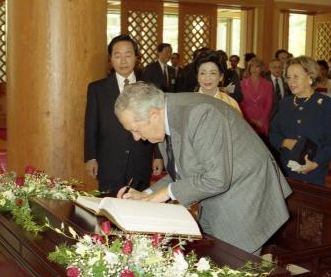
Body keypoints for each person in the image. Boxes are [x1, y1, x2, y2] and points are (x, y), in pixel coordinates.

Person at [114, 82, 292, 255]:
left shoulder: (199, 114)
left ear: (153, 114)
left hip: (245, 198)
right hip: (219, 196)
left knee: (237, 275)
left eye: (135, 130)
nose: (136, 138)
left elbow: (216, 179)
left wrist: (163, 194)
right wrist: (146, 195)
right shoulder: (166, 116)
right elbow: (182, 173)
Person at [84, 34, 163, 195]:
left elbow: (158, 122)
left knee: (139, 207)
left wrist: (158, 155)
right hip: (109, 161)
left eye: (128, 55)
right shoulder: (97, 89)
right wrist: (90, 157)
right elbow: (91, 125)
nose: (123, 61)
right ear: (110, 59)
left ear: (136, 58)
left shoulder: (150, 87)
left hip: (140, 159)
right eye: (117, 56)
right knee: (108, 209)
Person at [269, 56, 331, 186]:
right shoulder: (285, 103)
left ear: (310, 78)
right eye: (288, 77)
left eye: (296, 76)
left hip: (314, 173)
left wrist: (315, 164)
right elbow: (273, 133)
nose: (291, 82)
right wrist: (284, 142)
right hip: (285, 171)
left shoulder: (326, 104)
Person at [194, 51, 242, 115]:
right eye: (203, 73)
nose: (207, 78)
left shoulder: (231, 104)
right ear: (197, 76)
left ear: (221, 76)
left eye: (213, 73)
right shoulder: (189, 103)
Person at [240, 57, 273, 135]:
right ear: (249, 68)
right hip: (246, 119)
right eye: (252, 66)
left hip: (261, 120)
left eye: (257, 66)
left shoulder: (268, 84)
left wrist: (261, 120)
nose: (254, 69)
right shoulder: (242, 83)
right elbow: (241, 103)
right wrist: (248, 119)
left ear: (261, 69)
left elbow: (268, 104)